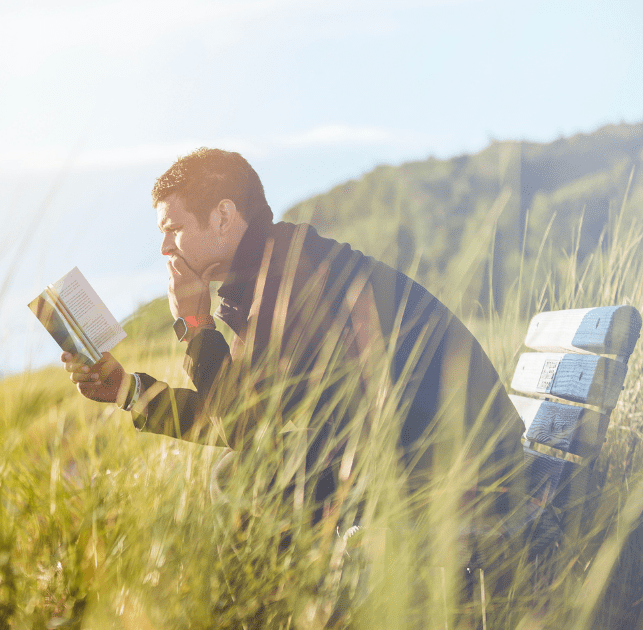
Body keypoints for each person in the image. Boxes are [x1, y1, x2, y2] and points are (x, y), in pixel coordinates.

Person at [60, 148, 526, 570]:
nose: (164, 249)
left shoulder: (291, 279)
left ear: (223, 216)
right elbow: (242, 414)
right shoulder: (274, 269)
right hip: (431, 461)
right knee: (251, 474)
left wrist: (197, 325)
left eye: (174, 230)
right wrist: (126, 389)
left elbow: (238, 424)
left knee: (247, 480)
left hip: (467, 480)